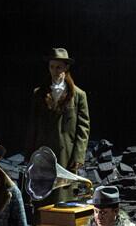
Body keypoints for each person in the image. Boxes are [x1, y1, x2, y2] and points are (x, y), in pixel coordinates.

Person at [26, 47, 91, 204]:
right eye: (52, 67)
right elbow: (33, 125)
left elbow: (83, 128)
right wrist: (29, 153)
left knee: (63, 195)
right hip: (43, 150)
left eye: (59, 67)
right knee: (42, 194)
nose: (54, 71)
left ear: (66, 68)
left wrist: (78, 155)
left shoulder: (78, 95)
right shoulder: (39, 93)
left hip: (66, 153)